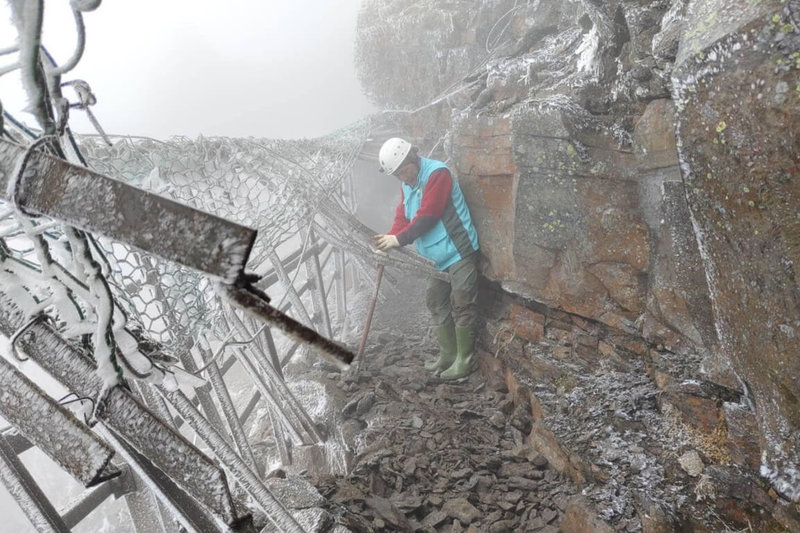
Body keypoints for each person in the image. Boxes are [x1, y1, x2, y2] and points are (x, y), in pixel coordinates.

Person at [372, 137, 480, 380]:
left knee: (462, 301)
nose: (404, 177)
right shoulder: (408, 185)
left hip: (458, 249)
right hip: (436, 257)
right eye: (398, 175)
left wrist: (399, 240)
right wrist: (388, 239)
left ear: (413, 158)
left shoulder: (437, 174)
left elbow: (428, 215)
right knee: (435, 301)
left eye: (405, 171)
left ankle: (466, 360)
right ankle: (448, 355)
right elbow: (403, 217)